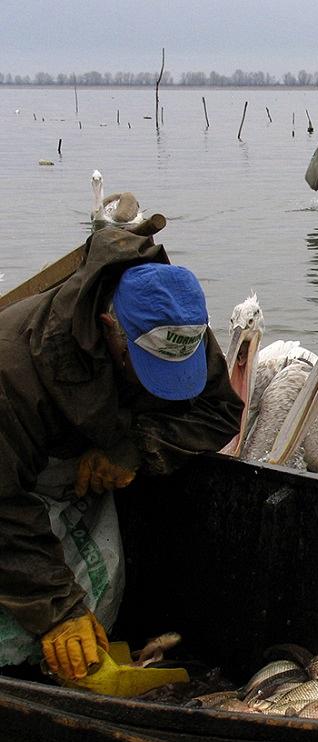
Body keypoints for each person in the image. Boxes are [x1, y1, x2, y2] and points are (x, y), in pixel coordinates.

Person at [0, 228, 243, 682]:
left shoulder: (177, 326)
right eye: (149, 367)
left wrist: (135, 447)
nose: (163, 379)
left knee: (95, 611)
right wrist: (58, 610)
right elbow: (2, 504)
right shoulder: (15, 368)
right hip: (12, 489)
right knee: (22, 637)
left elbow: (220, 411)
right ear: (111, 327)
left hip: (80, 472)